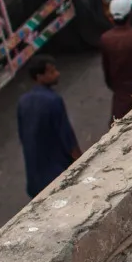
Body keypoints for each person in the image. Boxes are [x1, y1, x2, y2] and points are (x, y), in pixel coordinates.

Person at [16, 56, 80, 197]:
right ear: (39, 77)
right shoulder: (54, 100)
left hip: (36, 177)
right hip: (57, 172)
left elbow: (23, 136)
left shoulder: (23, 101)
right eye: (51, 72)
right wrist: (81, 162)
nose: (57, 74)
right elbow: (67, 137)